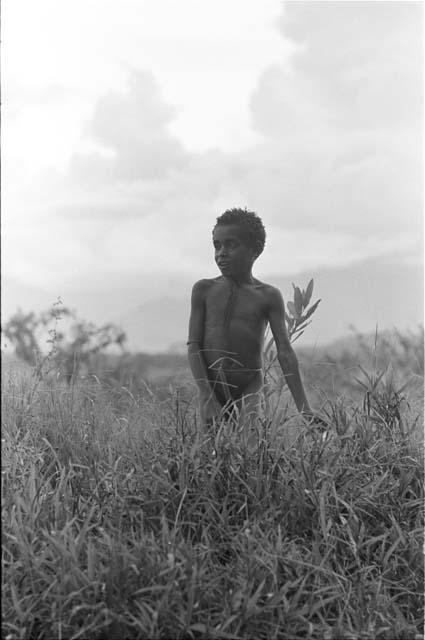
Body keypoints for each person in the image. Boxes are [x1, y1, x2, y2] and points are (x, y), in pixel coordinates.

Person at [187, 207, 322, 435]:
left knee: (248, 453)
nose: (222, 253)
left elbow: (286, 354)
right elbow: (194, 345)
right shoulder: (204, 290)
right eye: (217, 245)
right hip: (211, 386)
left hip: (249, 387)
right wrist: (206, 394)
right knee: (210, 455)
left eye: (231, 245)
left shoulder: (267, 296)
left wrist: (305, 408)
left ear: (255, 250)